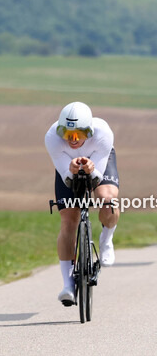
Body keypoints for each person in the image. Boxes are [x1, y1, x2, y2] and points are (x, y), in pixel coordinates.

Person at [44, 101, 119, 306]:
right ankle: (68, 285)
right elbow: (68, 179)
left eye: (79, 134)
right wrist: (71, 170)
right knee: (69, 219)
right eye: (68, 134)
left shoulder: (103, 133)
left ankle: (106, 239)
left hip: (99, 162)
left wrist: (92, 169)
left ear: (90, 131)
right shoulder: (52, 138)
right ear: (60, 131)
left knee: (108, 201)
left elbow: (96, 179)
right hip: (67, 167)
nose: (73, 140)